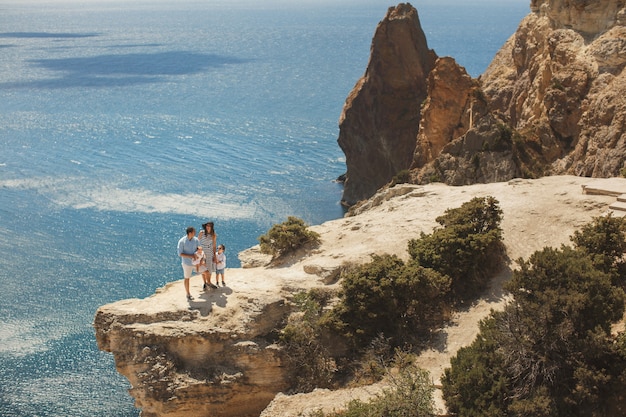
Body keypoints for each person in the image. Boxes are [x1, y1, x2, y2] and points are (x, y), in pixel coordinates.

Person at [178, 226, 199, 301]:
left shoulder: (196, 240)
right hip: (187, 263)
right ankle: (188, 294)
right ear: (190, 233)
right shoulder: (182, 241)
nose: (195, 233)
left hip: (196, 262)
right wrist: (191, 256)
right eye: (194, 232)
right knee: (187, 278)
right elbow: (180, 254)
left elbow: (198, 248)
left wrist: (198, 254)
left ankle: (206, 285)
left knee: (205, 271)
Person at [198, 222, 217, 290]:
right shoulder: (201, 232)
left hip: (209, 252)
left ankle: (209, 282)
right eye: (207, 226)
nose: (208, 227)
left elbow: (214, 246)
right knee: (203, 267)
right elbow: (197, 242)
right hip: (202, 252)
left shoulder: (213, 235)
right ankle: (205, 283)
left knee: (209, 268)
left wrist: (215, 256)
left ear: (212, 227)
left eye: (209, 226)